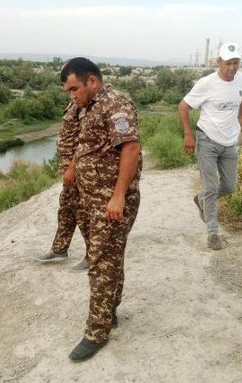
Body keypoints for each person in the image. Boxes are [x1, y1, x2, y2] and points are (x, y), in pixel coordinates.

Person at [60, 57, 142, 361]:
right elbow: (88, 144)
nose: (72, 95)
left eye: (73, 89)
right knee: (109, 260)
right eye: (69, 91)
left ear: (92, 81)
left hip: (112, 202)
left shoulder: (115, 105)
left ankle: (96, 332)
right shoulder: (90, 105)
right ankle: (109, 312)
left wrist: (118, 195)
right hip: (93, 198)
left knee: (100, 263)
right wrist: (72, 167)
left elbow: (131, 148)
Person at [178, 42, 242, 250]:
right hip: (207, 140)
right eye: (228, 63)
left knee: (229, 186)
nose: (232, 68)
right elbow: (183, 107)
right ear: (219, 62)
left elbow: (241, 98)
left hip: (229, 142)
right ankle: (213, 234)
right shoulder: (206, 83)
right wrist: (188, 135)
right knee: (211, 187)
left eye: (236, 63)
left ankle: (200, 199)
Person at [35, 99, 89, 272]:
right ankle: (59, 249)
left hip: (78, 169)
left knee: (82, 211)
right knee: (66, 208)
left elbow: (86, 140)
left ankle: (93, 255)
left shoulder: (87, 103)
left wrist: (72, 169)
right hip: (68, 168)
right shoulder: (74, 101)